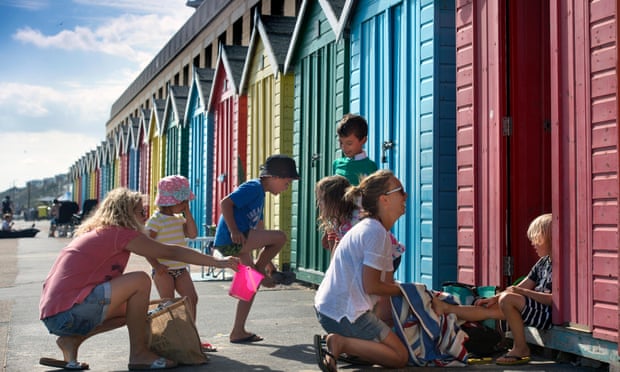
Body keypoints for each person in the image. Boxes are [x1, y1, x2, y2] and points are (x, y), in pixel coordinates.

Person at [38, 187, 239, 371]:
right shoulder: (119, 233)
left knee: (135, 312)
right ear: (125, 213)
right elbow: (170, 251)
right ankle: (139, 355)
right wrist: (218, 262)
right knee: (141, 280)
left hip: (57, 313)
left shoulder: (101, 232)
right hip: (67, 312)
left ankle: (71, 341)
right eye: (141, 212)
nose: (145, 217)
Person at [314, 169, 409, 371]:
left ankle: (348, 344)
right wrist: (408, 291)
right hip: (345, 314)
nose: (406, 196)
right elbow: (372, 285)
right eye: (401, 191)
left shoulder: (374, 229)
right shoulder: (374, 232)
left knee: (387, 349)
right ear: (384, 200)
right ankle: (341, 343)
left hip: (333, 309)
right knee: (400, 357)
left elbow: (383, 292)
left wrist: (385, 327)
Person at [432, 213, 553, 366]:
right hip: (532, 309)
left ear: (550, 238)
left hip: (547, 314)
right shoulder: (542, 263)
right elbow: (519, 287)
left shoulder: (559, 264)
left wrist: (519, 293)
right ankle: (447, 308)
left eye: (537, 239)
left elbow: (551, 299)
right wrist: (493, 299)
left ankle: (521, 348)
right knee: (490, 306)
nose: (533, 244)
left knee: (507, 300)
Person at [213, 154, 300, 344]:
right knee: (281, 237)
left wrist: (271, 267)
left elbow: (260, 233)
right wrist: (234, 229)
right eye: (286, 183)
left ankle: (237, 330)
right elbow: (225, 203)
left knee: (250, 285)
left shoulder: (261, 195)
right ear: (274, 177)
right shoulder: (253, 187)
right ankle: (259, 271)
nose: (286, 188)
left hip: (241, 241)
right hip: (233, 237)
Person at [145, 175, 215, 352]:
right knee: (169, 305)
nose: (185, 203)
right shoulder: (156, 220)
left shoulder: (178, 219)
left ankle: (192, 338)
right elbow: (147, 246)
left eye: (186, 201)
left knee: (192, 299)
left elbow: (192, 234)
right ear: (169, 201)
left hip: (180, 269)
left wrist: (188, 213)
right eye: (182, 201)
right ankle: (166, 339)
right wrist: (156, 266)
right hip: (163, 270)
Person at [332, 114, 378, 186]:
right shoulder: (337, 164)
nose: (344, 147)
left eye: (349, 143)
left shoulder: (370, 166)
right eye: (341, 142)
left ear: (363, 140)